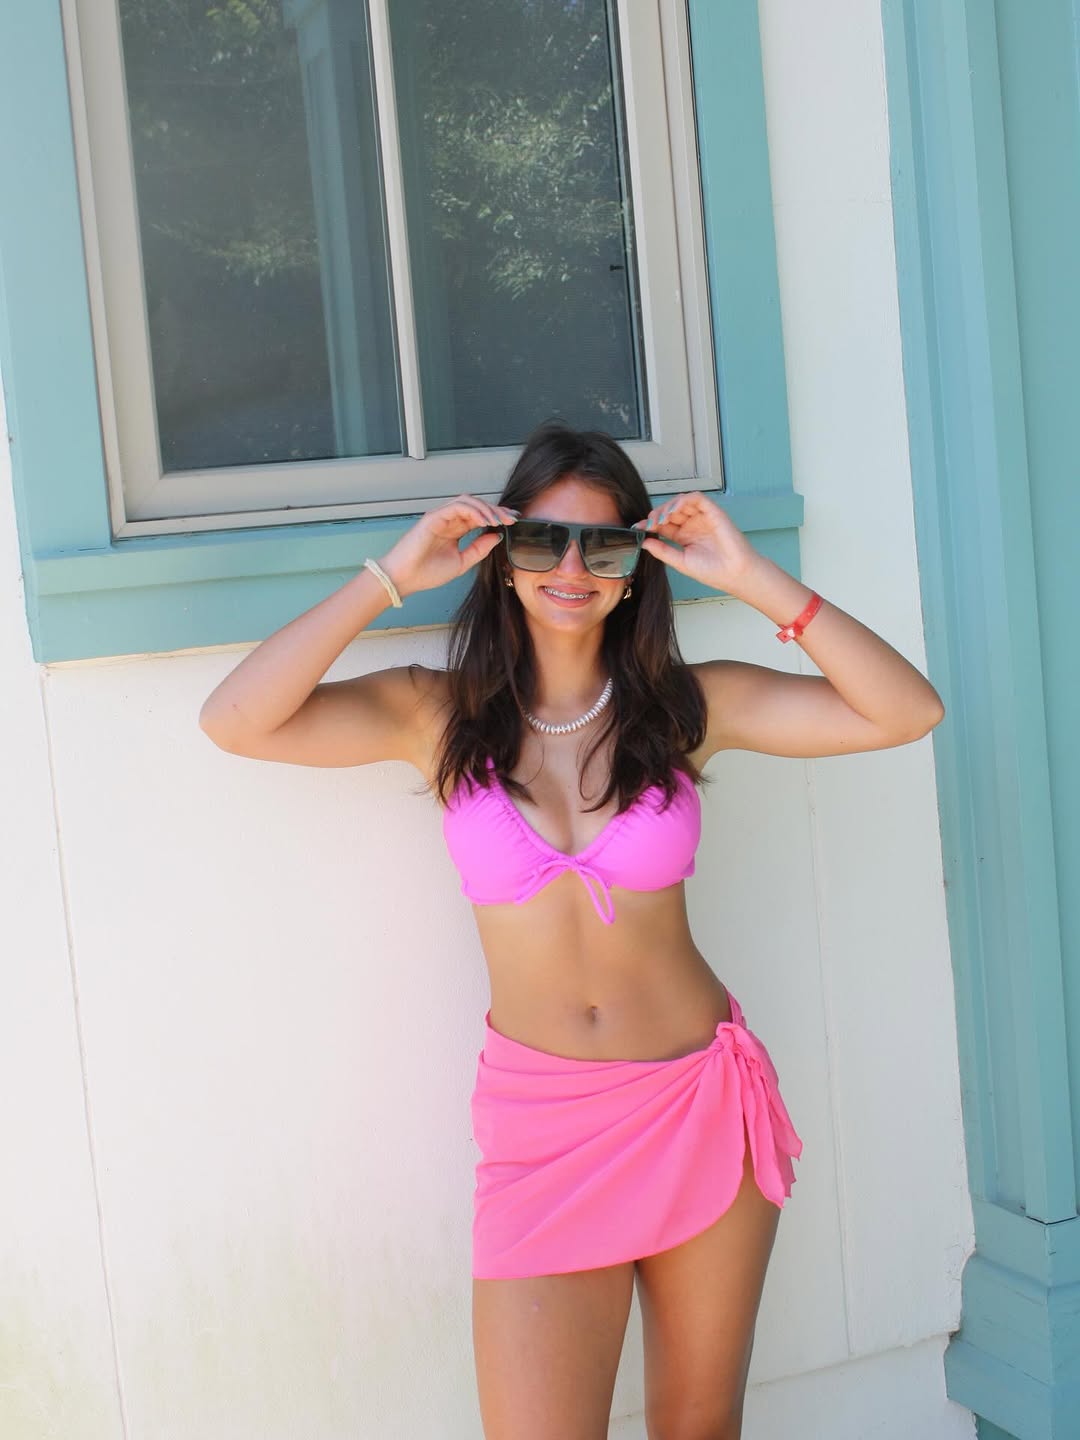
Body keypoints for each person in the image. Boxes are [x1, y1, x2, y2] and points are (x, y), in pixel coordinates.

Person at [199, 420, 944, 1440]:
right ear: (503, 558)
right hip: (543, 1131)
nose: (571, 568)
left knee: (699, 1427)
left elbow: (904, 712)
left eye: (604, 546)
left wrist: (753, 578)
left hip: (695, 1103)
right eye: (543, 540)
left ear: (636, 570)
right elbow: (236, 719)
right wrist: (390, 577)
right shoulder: (434, 714)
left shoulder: (683, 710)